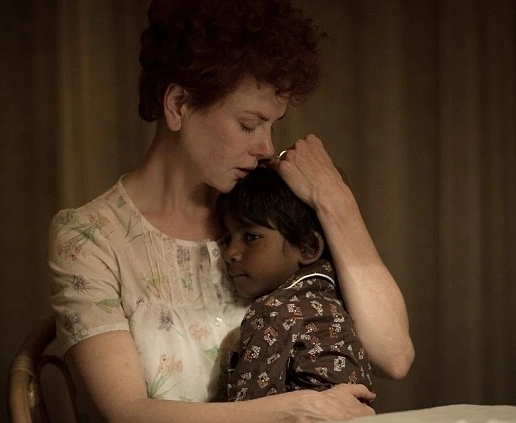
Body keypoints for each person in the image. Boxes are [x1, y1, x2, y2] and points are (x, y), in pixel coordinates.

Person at [47, 0, 414, 421]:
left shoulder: (266, 212)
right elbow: (126, 413)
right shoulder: (89, 238)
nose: (265, 146)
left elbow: (394, 355)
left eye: (272, 125)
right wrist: (295, 409)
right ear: (179, 104)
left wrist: (335, 200)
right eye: (249, 124)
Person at [215, 164, 374, 401]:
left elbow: (247, 408)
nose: (230, 253)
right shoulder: (337, 298)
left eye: (251, 237)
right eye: (228, 238)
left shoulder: (272, 312)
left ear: (308, 247)